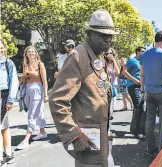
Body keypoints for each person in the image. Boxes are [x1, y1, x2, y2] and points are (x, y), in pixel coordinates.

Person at [49, 9, 119, 167]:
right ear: (90, 34)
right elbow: (57, 100)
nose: (108, 39)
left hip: (99, 134)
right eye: (103, 35)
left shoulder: (97, 54)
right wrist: (73, 134)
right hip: (86, 137)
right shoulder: (77, 56)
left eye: (110, 35)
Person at [140, 31, 162, 154]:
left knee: (149, 120)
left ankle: (150, 148)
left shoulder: (144, 55)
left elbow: (142, 75)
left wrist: (143, 91)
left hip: (149, 92)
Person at [16, 46, 48, 150]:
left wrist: (46, 95)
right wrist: (22, 78)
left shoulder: (40, 64)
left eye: (32, 51)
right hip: (27, 88)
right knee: (37, 111)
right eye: (29, 52)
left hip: (37, 88)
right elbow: (24, 77)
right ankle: (42, 132)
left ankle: (27, 138)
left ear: (35, 53)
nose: (31, 53)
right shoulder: (25, 64)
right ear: (26, 54)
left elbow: (44, 80)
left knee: (32, 113)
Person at [0, 39, 19, 167]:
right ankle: (8, 154)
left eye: (1, 47)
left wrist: (10, 100)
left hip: (4, 95)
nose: (0, 50)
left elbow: (14, 82)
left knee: (3, 126)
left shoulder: (8, 63)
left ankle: (4, 155)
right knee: (4, 127)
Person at [122, 46, 146, 140]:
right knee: (139, 107)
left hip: (142, 87)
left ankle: (134, 129)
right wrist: (134, 79)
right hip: (133, 86)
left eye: (145, 51)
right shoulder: (132, 60)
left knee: (138, 108)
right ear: (137, 52)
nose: (144, 53)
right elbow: (124, 72)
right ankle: (138, 132)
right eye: (142, 51)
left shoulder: (144, 61)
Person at [106, 48, 120, 119]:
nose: (109, 55)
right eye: (107, 53)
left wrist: (113, 60)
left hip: (113, 84)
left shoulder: (115, 63)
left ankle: (110, 114)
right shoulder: (104, 63)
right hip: (105, 84)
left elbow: (118, 72)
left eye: (110, 53)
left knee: (112, 101)